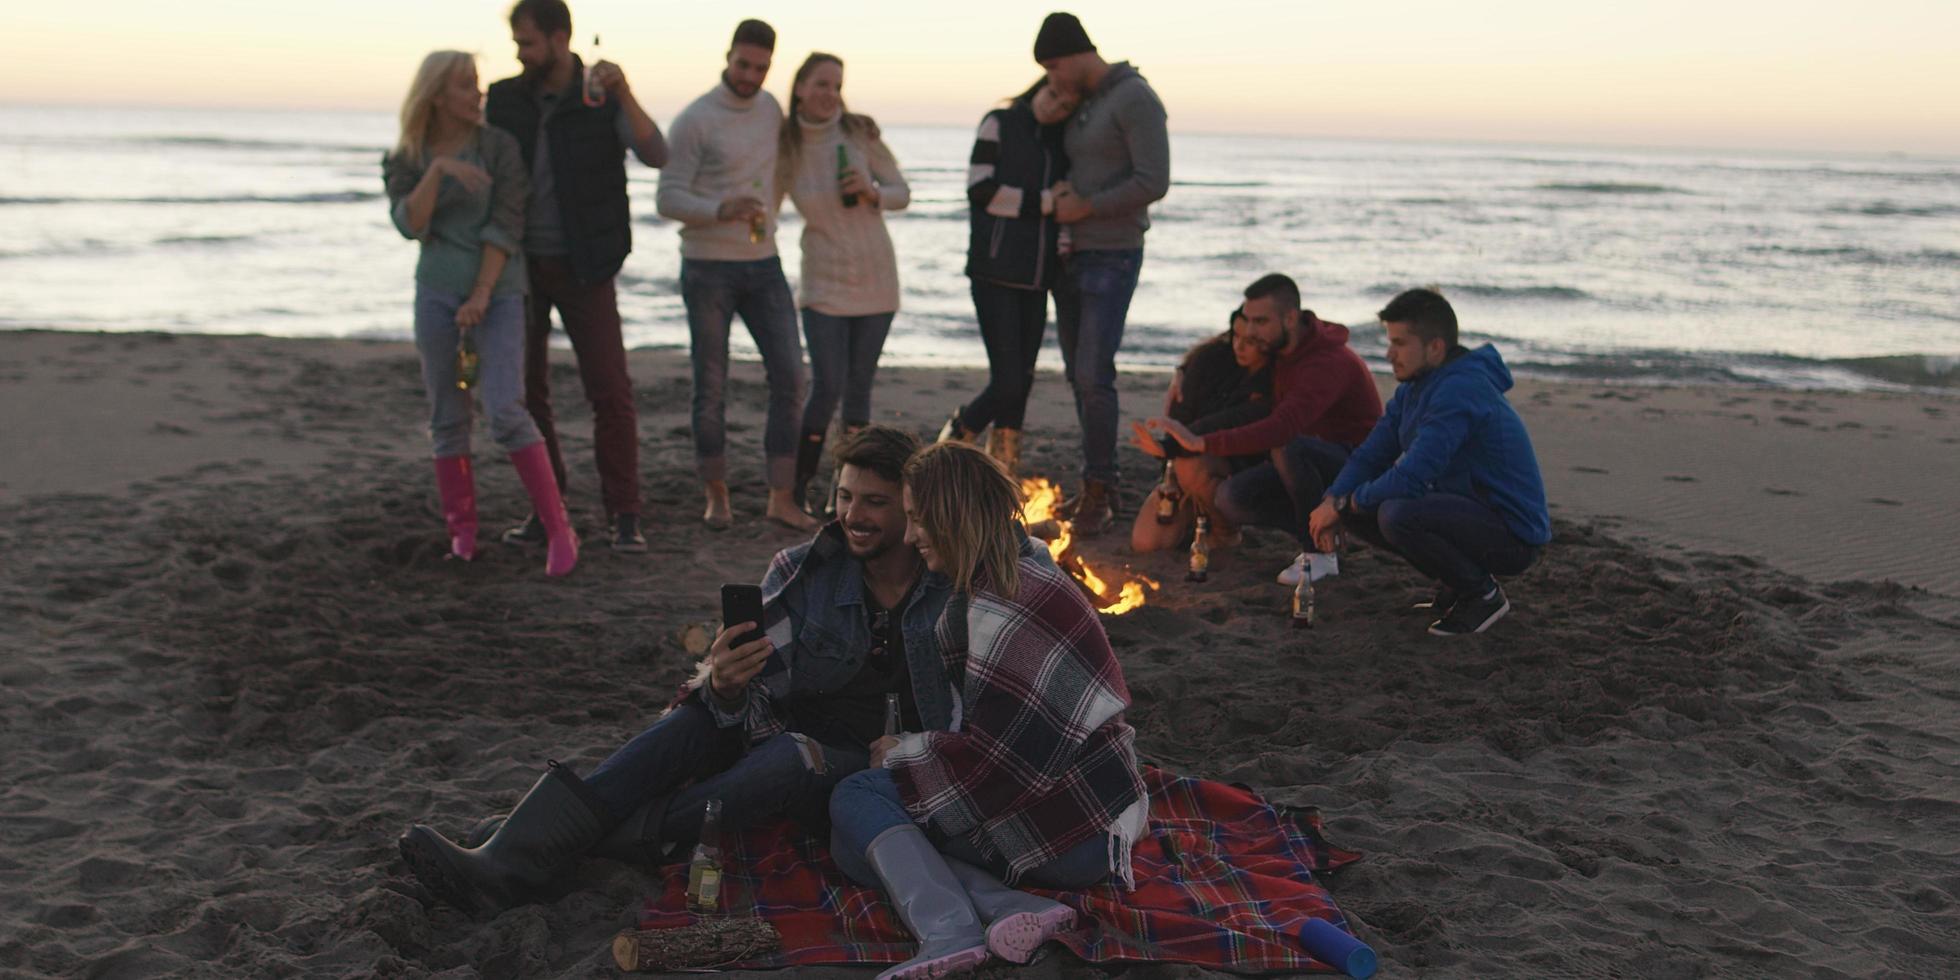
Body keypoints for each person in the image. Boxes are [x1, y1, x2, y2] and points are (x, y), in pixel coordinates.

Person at [396, 426, 955, 916]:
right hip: (775, 739)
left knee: (792, 756)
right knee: (696, 720)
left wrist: (912, 745)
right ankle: (513, 858)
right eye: (844, 495)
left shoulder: (949, 588)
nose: (852, 516)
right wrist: (727, 686)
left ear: (912, 508)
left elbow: (974, 716)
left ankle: (534, 846)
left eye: (874, 502)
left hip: (866, 772)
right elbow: (754, 702)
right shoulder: (805, 570)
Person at [827, 442, 1146, 979]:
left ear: (952, 517)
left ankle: (948, 931)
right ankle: (1010, 907)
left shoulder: (1004, 607)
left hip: (1078, 833)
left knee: (855, 800)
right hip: (1098, 802)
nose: (909, 537)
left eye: (917, 519)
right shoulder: (1023, 568)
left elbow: (998, 769)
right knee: (852, 839)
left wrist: (905, 754)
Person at [383, 51, 578, 578]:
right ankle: (462, 534)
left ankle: (559, 527)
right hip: (436, 293)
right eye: (466, 86)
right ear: (437, 95)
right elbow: (410, 224)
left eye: (477, 84)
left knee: (504, 408)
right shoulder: (408, 155)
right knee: (448, 417)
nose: (478, 94)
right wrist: (441, 169)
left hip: (499, 292)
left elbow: (507, 225)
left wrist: (482, 294)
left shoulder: (500, 149)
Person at [486, 0, 668, 554]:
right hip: (519, 264)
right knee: (527, 392)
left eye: (528, 42)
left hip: (587, 264)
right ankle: (548, 509)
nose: (520, 53)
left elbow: (656, 152)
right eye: (517, 43)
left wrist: (626, 91)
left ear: (561, 38)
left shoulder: (600, 94)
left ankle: (625, 516)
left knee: (610, 391)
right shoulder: (503, 97)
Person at [1309, 288, 1551, 636]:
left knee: (1396, 513)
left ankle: (1482, 595)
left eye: (1400, 343)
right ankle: (1456, 583)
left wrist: (1348, 501)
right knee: (1359, 504)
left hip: (1513, 534)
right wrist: (1333, 500)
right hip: (1468, 511)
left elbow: (1413, 476)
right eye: (1389, 342)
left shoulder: (1459, 389)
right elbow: (1371, 453)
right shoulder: (1414, 388)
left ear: (1435, 347)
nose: (1389, 354)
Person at [658, 19, 818, 532]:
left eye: (761, 68)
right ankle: (716, 494)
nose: (750, 76)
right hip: (706, 267)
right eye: (743, 64)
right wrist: (721, 207)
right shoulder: (695, 120)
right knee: (712, 384)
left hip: (763, 262)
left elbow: (806, 141)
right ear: (728, 57)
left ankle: (780, 496)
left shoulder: (770, 108)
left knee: (791, 377)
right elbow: (667, 198)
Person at [1145, 274, 1382, 583]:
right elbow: (1225, 347)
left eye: (1260, 322)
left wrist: (1201, 442)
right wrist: (1183, 371)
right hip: (1303, 464)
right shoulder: (1280, 345)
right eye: (1248, 320)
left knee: (1286, 444)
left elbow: (1281, 427)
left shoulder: (1326, 363)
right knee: (1231, 498)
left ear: (1290, 318)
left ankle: (1319, 553)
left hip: (1353, 465)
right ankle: (1323, 527)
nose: (1251, 331)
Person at [1034, 12, 1171, 535]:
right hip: (1073, 253)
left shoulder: (1135, 97)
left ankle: (1100, 490)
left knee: (1094, 375)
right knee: (1079, 376)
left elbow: (1154, 179)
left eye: (1053, 66)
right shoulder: (1085, 101)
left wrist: (1087, 207)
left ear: (1076, 54)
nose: (1052, 77)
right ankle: (1100, 487)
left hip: (1112, 252)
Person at [777, 53, 911, 513]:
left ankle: (846, 495)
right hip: (823, 283)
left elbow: (902, 192)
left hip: (876, 278)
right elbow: (766, 199)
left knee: (859, 389)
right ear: (799, 87)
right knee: (827, 385)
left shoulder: (858, 133)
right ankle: (798, 487)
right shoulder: (786, 143)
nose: (829, 93)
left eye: (836, 85)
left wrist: (874, 191)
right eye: (820, 84)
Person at [935, 77, 1080, 475]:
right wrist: (1046, 202)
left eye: (1066, 106)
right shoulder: (998, 122)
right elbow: (980, 189)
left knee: (1024, 381)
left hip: (1037, 279)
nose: (1055, 107)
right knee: (1009, 381)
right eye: (1053, 95)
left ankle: (1003, 467)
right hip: (994, 272)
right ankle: (954, 438)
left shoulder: (1059, 143)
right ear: (1039, 87)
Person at [1127, 307, 1274, 554]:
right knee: (1146, 544)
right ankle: (1194, 515)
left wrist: (1169, 448)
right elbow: (1181, 416)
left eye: (1249, 341)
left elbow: (1224, 422)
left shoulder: (1273, 380)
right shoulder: (1211, 358)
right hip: (1186, 461)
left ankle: (1225, 532)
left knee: (1190, 465)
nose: (1239, 346)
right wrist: (1168, 468)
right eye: (1235, 336)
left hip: (1237, 466)